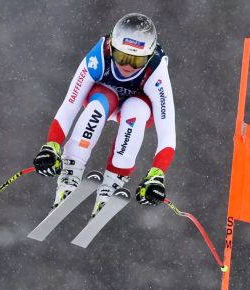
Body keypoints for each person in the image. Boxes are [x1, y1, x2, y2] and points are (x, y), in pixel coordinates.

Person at [33, 13, 176, 218]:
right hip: (103, 100)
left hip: (137, 109)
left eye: (136, 61)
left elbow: (167, 131)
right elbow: (69, 106)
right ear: (112, 48)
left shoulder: (156, 70)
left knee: (136, 109)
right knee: (101, 102)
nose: (127, 66)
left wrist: (157, 174)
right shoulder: (98, 56)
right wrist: (52, 145)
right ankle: (70, 173)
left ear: (149, 56)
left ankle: (112, 184)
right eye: (122, 57)